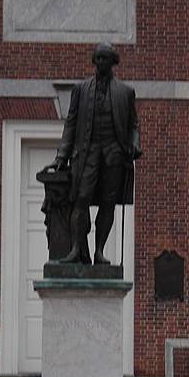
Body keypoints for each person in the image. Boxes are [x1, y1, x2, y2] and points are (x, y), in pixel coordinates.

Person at [45, 43, 141, 265]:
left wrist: (135, 144)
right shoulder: (81, 89)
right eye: (97, 58)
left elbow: (133, 126)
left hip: (113, 155)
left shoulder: (125, 92)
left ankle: (99, 251)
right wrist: (62, 156)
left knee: (108, 204)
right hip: (86, 155)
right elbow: (71, 123)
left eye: (105, 58)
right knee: (81, 200)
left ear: (112, 62)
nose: (100, 63)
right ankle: (76, 250)